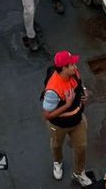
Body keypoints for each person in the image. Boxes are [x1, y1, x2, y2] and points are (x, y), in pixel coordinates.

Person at [42, 50, 93, 186]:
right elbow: (47, 115)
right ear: (64, 68)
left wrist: (85, 93)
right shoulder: (53, 90)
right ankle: (57, 162)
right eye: (72, 64)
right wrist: (68, 105)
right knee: (57, 145)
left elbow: (81, 85)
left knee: (81, 147)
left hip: (78, 120)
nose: (75, 66)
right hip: (59, 125)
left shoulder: (74, 73)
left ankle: (78, 173)